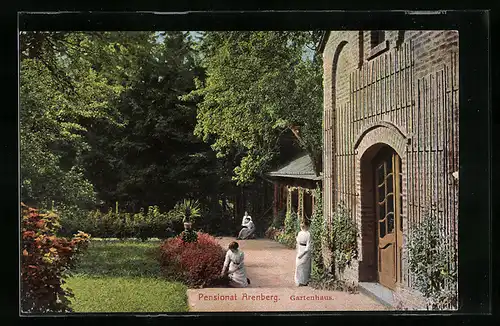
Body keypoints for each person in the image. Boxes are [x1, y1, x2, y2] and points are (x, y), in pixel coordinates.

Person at [294, 221, 312, 286]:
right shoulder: (300, 233)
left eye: (303, 226)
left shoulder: (308, 234)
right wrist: (298, 251)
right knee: (298, 266)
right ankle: (298, 281)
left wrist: (302, 254)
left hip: (305, 252)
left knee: (304, 267)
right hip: (300, 250)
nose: (302, 227)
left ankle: (304, 281)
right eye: (301, 226)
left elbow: (308, 246)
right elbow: (298, 243)